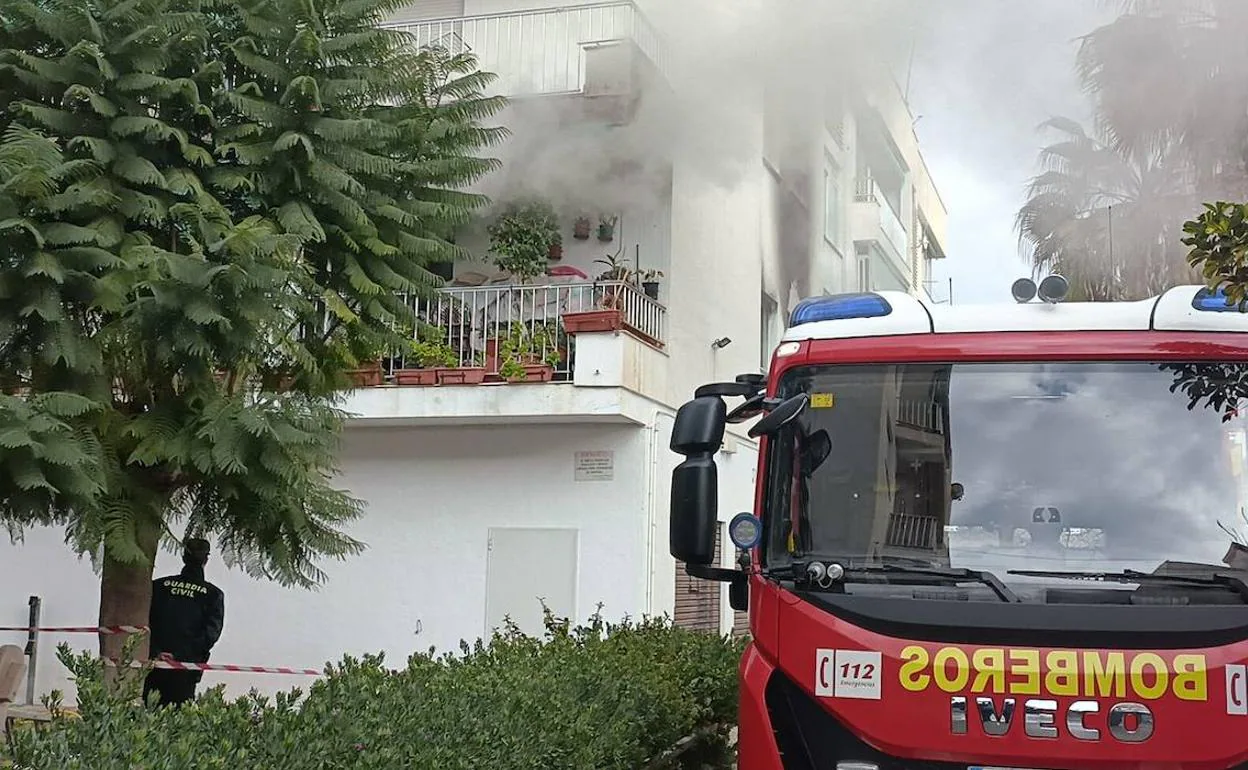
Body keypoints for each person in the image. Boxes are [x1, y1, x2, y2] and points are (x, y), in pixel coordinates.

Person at [143, 537, 224, 707]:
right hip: (186, 668)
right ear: (206, 560)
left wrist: (157, 651)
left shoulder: (159, 586)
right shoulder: (213, 595)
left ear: (183, 557)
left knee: (148, 715)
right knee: (178, 722)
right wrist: (179, 656)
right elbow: (210, 634)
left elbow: (144, 622)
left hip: (154, 664)